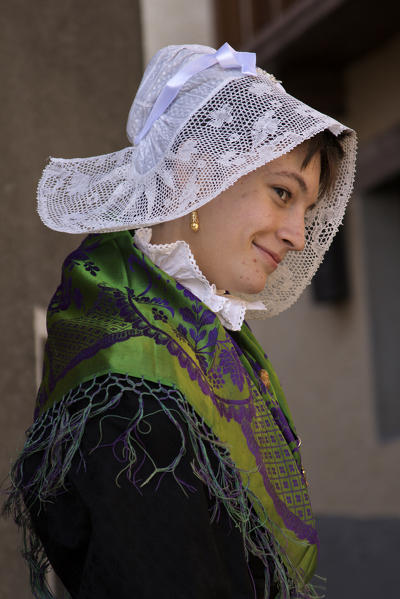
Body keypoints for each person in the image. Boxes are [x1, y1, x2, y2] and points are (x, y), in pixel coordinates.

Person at [4, 43, 356, 598]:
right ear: (194, 173)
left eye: (306, 210)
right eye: (282, 193)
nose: (298, 235)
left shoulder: (200, 346)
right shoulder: (133, 388)